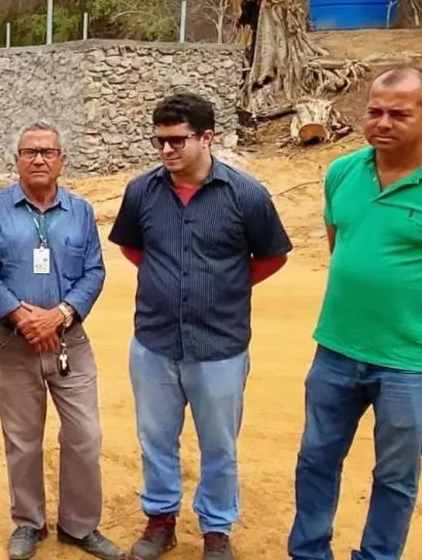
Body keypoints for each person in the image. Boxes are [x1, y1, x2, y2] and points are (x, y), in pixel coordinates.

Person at [107, 93, 292, 560]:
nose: (166, 150)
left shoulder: (246, 195)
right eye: (159, 141)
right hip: (154, 341)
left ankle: (216, 530)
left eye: (177, 140)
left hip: (220, 345)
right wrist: (169, 280)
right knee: (155, 438)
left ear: (207, 137)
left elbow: (273, 256)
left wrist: (224, 285)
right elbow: (131, 246)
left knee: (219, 445)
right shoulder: (141, 192)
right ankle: (160, 521)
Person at [0, 120, 125, 560]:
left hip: (68, 341)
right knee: (22, 438)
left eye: (48, 152)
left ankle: (79, 526)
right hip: (12, 342)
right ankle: (29, 522)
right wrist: (22, 317)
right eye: (29, 152)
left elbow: (94, 271)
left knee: (85, 434)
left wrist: (59, 314)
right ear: (16, 160)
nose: (39, 159)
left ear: (62, 160)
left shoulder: (80, 211)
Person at [287, 67, 422, 560]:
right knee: (316, 459)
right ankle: (308, 552)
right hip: (336, 350)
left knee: (395, 476)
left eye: (399, 114)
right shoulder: (341, 172)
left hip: (409, 362)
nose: (382, 123)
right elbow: (338, 244)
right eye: (374, 111)